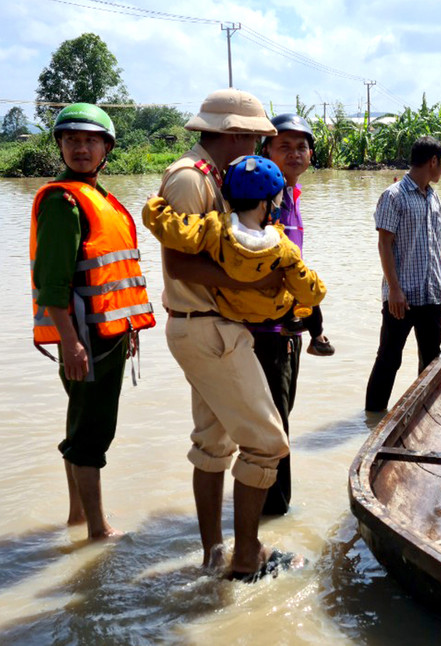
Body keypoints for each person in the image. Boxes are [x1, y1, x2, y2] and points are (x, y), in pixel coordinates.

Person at [156, 88, 294, 580]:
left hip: (206, 327)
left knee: (214, 444)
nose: (258, 149)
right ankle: (245, 555)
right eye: (256, 139)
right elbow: (177, 261)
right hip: (206, 327)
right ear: (235, 133)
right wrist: (256, 280)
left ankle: (215, 553)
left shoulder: (213, 178)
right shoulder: (190, 181)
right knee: (268, 444)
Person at [30, 103, 155, 540]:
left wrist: (129, 329)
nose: (80, 148)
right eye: (70, 140)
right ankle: (98, 531)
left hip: (108, 334)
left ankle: (77, 517)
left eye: (90, 140)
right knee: (93, 431)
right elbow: (53, 282)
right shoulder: (64, 202)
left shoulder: (99, 198)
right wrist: (71, 343)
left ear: (106, 148)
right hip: (86, 336)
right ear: (60, 146)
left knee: (81, 423)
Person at [252, 113, 332, 515]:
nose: (295, 153)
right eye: (284, 146)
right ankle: (272, 516)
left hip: (288, 327)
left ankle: (268, 512)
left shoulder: (290, 197)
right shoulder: (265, 198)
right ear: (266, 150)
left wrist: (312, 321)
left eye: (301, 146)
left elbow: (293, 266)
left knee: (279, 422)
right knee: (274, 429)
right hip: (269, 330)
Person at [142, 155, 326, 323]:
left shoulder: (214, 228)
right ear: (265, 205)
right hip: (272, 312)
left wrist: (154, 205)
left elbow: (175, 230)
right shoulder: (284, 247)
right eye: (278, 201)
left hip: (228, 311)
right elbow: (310, 292)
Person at [364, 136, 441, 413]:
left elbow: (437, 244)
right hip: (401, 296)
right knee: (389, 359)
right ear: (433, 162)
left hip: (430, 293)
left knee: (430, 359)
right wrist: (394, 288)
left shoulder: (433, 196)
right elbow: (384, 244)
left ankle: (423, 413)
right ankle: (372, 417)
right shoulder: (394, 196)